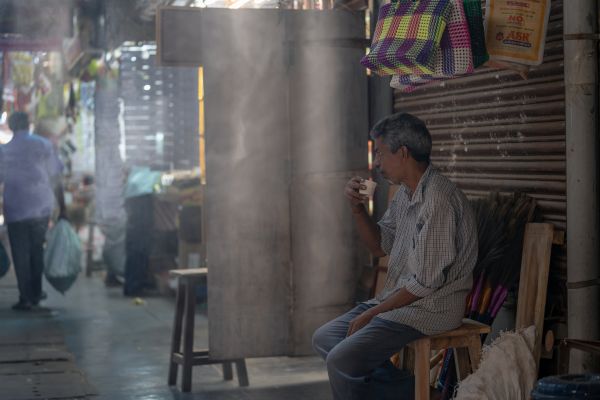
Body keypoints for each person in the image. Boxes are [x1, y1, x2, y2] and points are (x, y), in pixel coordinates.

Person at [312, 112, 478, 400]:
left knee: (342, 360)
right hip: (400, 301)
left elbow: (426, 283)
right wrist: (357, 209)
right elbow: (380, 247)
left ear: (403, 153)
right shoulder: (405, 194)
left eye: (380, 153)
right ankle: (422, 395)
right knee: (325, 338)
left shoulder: (438, 200)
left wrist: (372, 312)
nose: (376, 162)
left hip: (431, 309)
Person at [0, 112, 65, 310]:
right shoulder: (43, 145)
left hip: (15, 208)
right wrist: (63, 207)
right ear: (29, 124)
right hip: (40, 206)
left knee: (20, 253)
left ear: (11, 125)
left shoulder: (4, 150)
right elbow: (55, 176)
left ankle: (26, 297)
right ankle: (36, 292)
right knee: (37, 250)